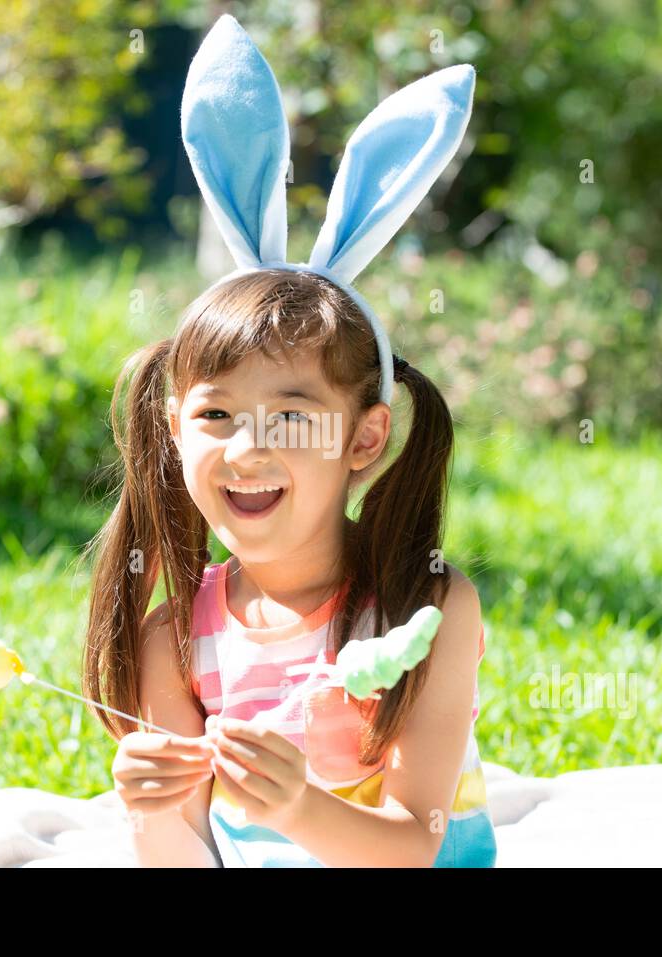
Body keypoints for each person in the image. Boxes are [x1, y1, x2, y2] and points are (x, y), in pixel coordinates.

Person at [84, 267, 496, 867]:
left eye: (292, 418)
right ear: (175, 431)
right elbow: (186, 859)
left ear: (363, 437)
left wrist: (298, 806)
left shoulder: (423, 608)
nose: (247, 450)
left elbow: (412, 845)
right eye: (216, 415)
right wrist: (151, 809)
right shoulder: (171, 639)